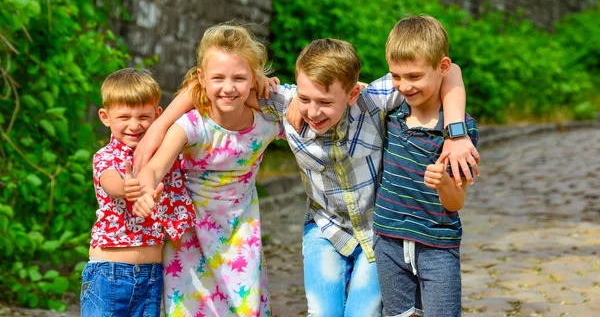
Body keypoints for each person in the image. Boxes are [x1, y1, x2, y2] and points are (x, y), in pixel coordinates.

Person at [135, 34, 479, 316]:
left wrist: (457, 132)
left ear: (352, 93)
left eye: (326, 103)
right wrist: (159, 128)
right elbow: (211, 84)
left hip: (377, 233)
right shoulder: (284, 102)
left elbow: (448, 70)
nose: (313, 112)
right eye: (306, 98)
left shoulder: (373, 100)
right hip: (325, 230)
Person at [133, 24, 285, 316]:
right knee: (190, 309)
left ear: (254, 78)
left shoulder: (266, 122)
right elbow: (155, 166)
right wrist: (147, 189)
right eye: (218, 78)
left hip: (240, 232)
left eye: (239, 78)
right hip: (190, 234)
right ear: (201, 78)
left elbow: (305, 112)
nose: (228, 88)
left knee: (246, 306)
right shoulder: (192, 124)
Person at [373, 16, 479, 317]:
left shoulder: (460, 131)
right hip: (387, 240)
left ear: (442, 68)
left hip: (437, 247)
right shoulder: (391, 114)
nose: (404, 86)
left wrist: (444, 182)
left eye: (414, 76)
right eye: (396, 76)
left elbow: (456, 201)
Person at [81, 68, 195, 316]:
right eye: (124, 117)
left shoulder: (164, 155)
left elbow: (198, 93)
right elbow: (108, 180)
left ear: (158, 115)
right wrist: (124, 187)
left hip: (151, 276)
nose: (134, 125)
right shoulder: (107, 156)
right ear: (105, 117)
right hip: (109, 273)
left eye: (144, 116)